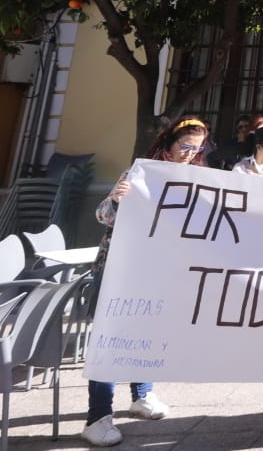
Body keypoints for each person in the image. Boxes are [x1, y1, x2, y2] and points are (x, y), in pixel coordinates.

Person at [82, 118, 206, 445]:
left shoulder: (195, 180)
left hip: (157, 272)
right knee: (112, 336)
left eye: (197, 148)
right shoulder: (139, 175)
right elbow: (103, 216)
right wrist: (116, 200)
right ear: (168, 147)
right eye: (185, 147)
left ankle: (142, 395)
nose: (191, 153)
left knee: (147, 330)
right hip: (119, 271)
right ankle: (98, 416)